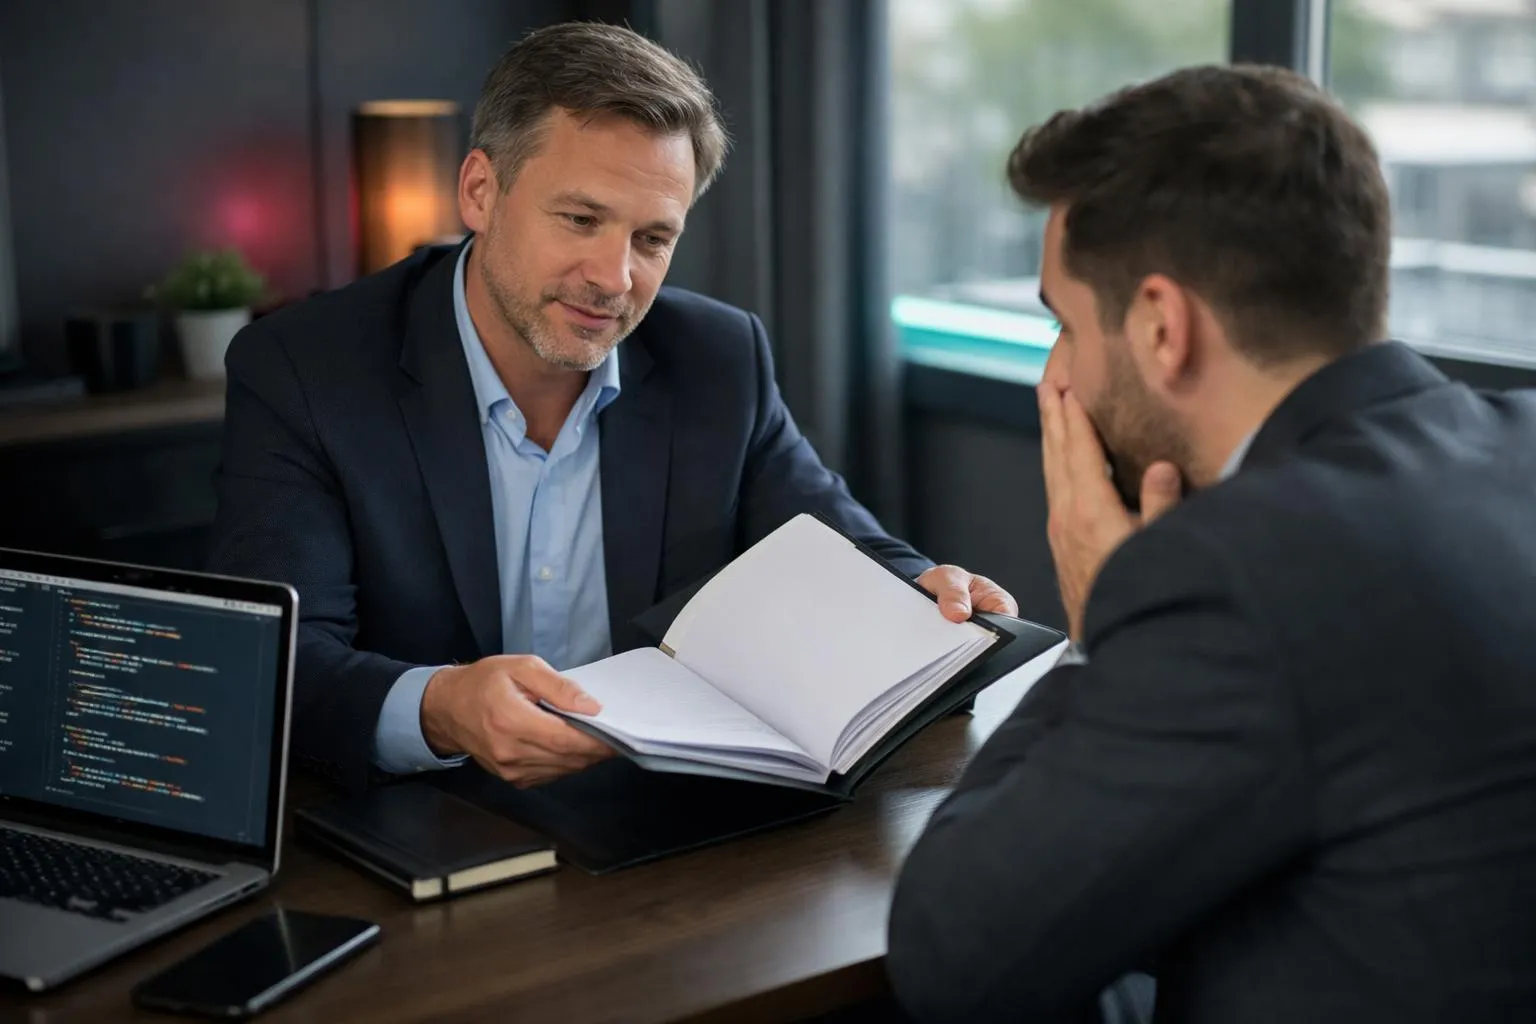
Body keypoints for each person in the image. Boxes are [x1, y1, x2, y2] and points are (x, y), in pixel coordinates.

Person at [206, 22, 1016, 795]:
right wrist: (439, 709)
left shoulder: (717, 357)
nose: (614, 277)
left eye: (652, 239)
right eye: (581, 219)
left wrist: (924, 595)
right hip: (418, 815)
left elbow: (839, 543)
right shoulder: (307, 369)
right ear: (481, 191)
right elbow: (277, 661)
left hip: (662, 812)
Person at [886, 64, 1536, 1023]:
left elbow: (953, 956)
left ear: (1161, 325)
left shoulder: (1238, 574)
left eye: (1064, 323)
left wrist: (1105, 636)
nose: (1056, 371)